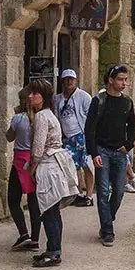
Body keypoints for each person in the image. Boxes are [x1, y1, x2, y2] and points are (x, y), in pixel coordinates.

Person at [84, 63, 135, 246]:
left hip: (119, 152)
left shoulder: (127, 102)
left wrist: (128, 144)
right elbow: (89, 129)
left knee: (120, 191)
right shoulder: (98, 101)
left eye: (126, 80)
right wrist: (93, 153)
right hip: (102, 151)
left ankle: (108, 218)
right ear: (111, 80)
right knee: (103, 190)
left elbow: (132, 126)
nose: (124, 83)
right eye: (121, 79)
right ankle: (107, 230)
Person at [26, 78, 76, 267]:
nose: (31, 97)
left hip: (48, 165)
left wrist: (32, 168)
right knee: (52, 210)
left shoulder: (41, 117)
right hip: (54, 163)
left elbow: (38, 146)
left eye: (35, 93)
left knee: (48, 209)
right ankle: (53, 247)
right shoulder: (49, 114)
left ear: (43, 96)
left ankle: (54, 251)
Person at [5, 90, 40, 251]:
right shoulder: (39, 118)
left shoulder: (18, 118)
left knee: (13, 199)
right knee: (33, 201)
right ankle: (35, 237)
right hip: (34, 161)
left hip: (20, 162)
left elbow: (9, 137)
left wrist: (15, 117)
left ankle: (24, 233)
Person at [54, 68, 95, 207]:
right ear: (62, 81)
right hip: (66, 137)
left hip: (80, 135)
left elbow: (91, 116)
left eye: (71, 79)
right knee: (71, 166)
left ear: (76, 80)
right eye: (66, 79)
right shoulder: (57, 99)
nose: (69, 82)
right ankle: (76, 194)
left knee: (86, 165)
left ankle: (89, 195)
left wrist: (89, 134)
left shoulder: (83, 97)